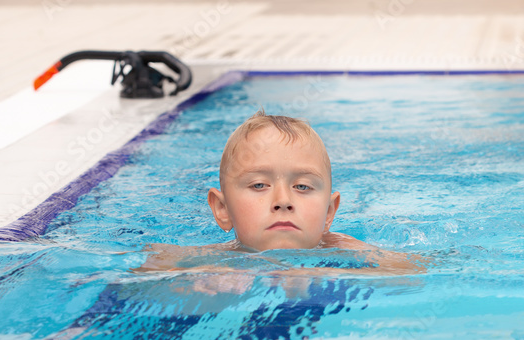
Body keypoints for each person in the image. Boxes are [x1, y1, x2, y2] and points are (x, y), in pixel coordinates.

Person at [134, 110, 427, 284]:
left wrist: (332, 276)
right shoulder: (217, 260)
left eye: (302, 187)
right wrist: (198, 281)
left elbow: (413, 273)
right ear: (222, 209)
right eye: (259, 185)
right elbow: (145, 273)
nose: (283, 200)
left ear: (328, 212)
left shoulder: (346, 253)